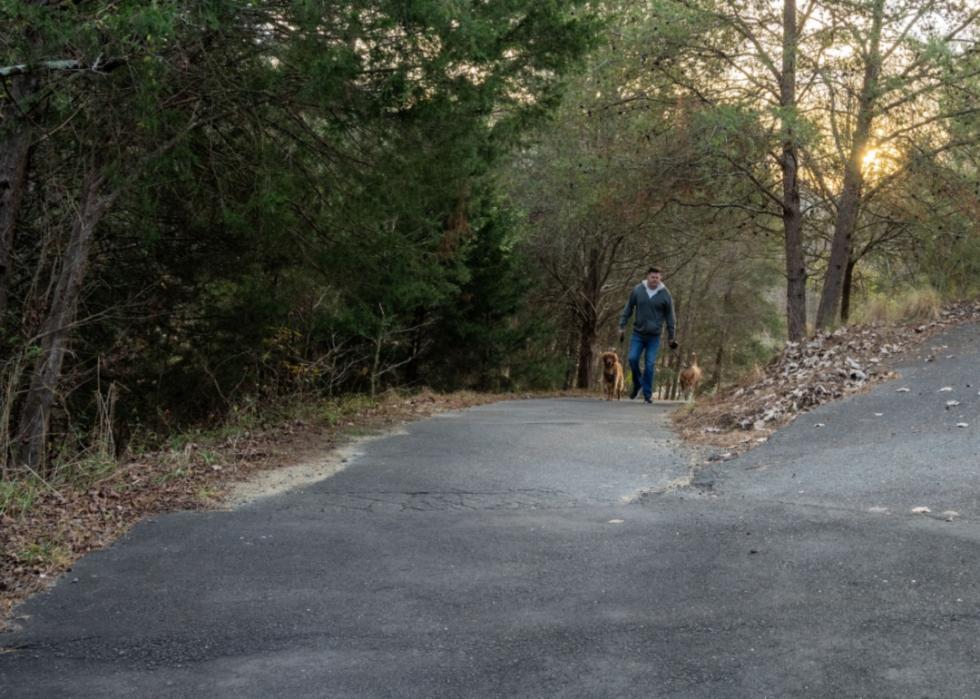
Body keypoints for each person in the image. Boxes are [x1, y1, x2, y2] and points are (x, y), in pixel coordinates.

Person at [618, 267, 678, 403]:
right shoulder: (638, 290)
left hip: (654, 336)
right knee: (632, 359)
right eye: (652, 277)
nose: (654, 280)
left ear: (660, 278)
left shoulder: (665, 294)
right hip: (638, 334)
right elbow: (628, 308)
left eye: (657, 277)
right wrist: (622, 325)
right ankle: (638, 383)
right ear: (648, 277)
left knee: (650, 364)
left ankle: (647, 395)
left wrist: (671, 336)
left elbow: (670, 317)